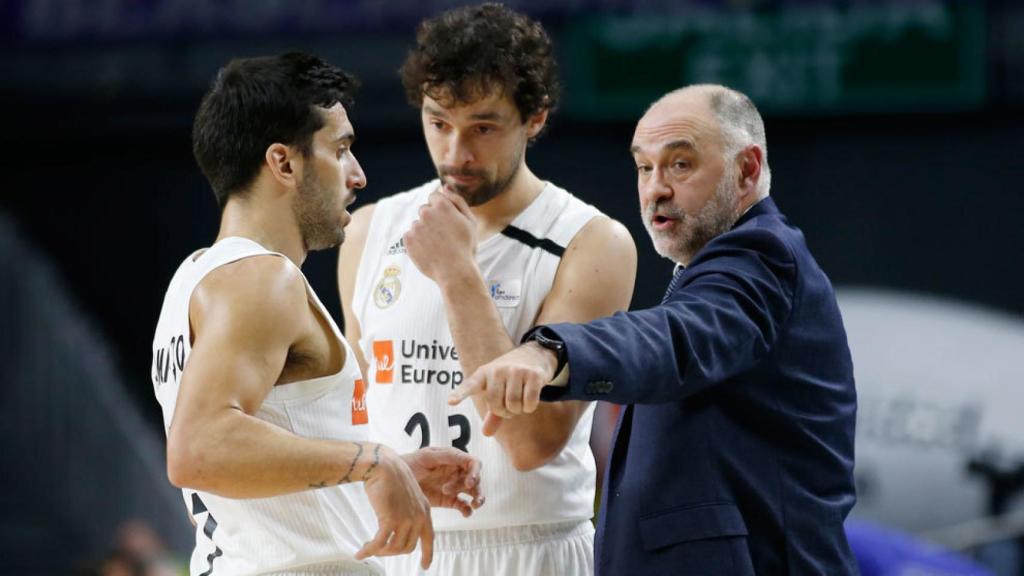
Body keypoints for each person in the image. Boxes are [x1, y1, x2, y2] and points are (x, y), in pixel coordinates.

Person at [451, 84, 859, 575]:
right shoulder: (718, 269)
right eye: (645, 167)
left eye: (680, 164)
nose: (655, 189)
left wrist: (549, 353)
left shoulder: (762, 257)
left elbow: (674, 338)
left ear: (746, 170)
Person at [151, 52, 483, 576]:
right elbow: (198, 449)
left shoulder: (195, 277)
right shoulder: (263, 279)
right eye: (341, 149)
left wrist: (370, 475)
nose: (358, 175)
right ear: (283, 162)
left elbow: (248, 466)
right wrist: (373, 462)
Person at [337, 4, 636, 575]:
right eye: (438, 122)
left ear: (535, 119)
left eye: (482, 127)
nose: (455, 154)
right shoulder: (370, 230)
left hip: (532, 549)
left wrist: (457, 275)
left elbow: (531, 443)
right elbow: (352, 415)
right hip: (401, 544)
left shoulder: (592, 243)